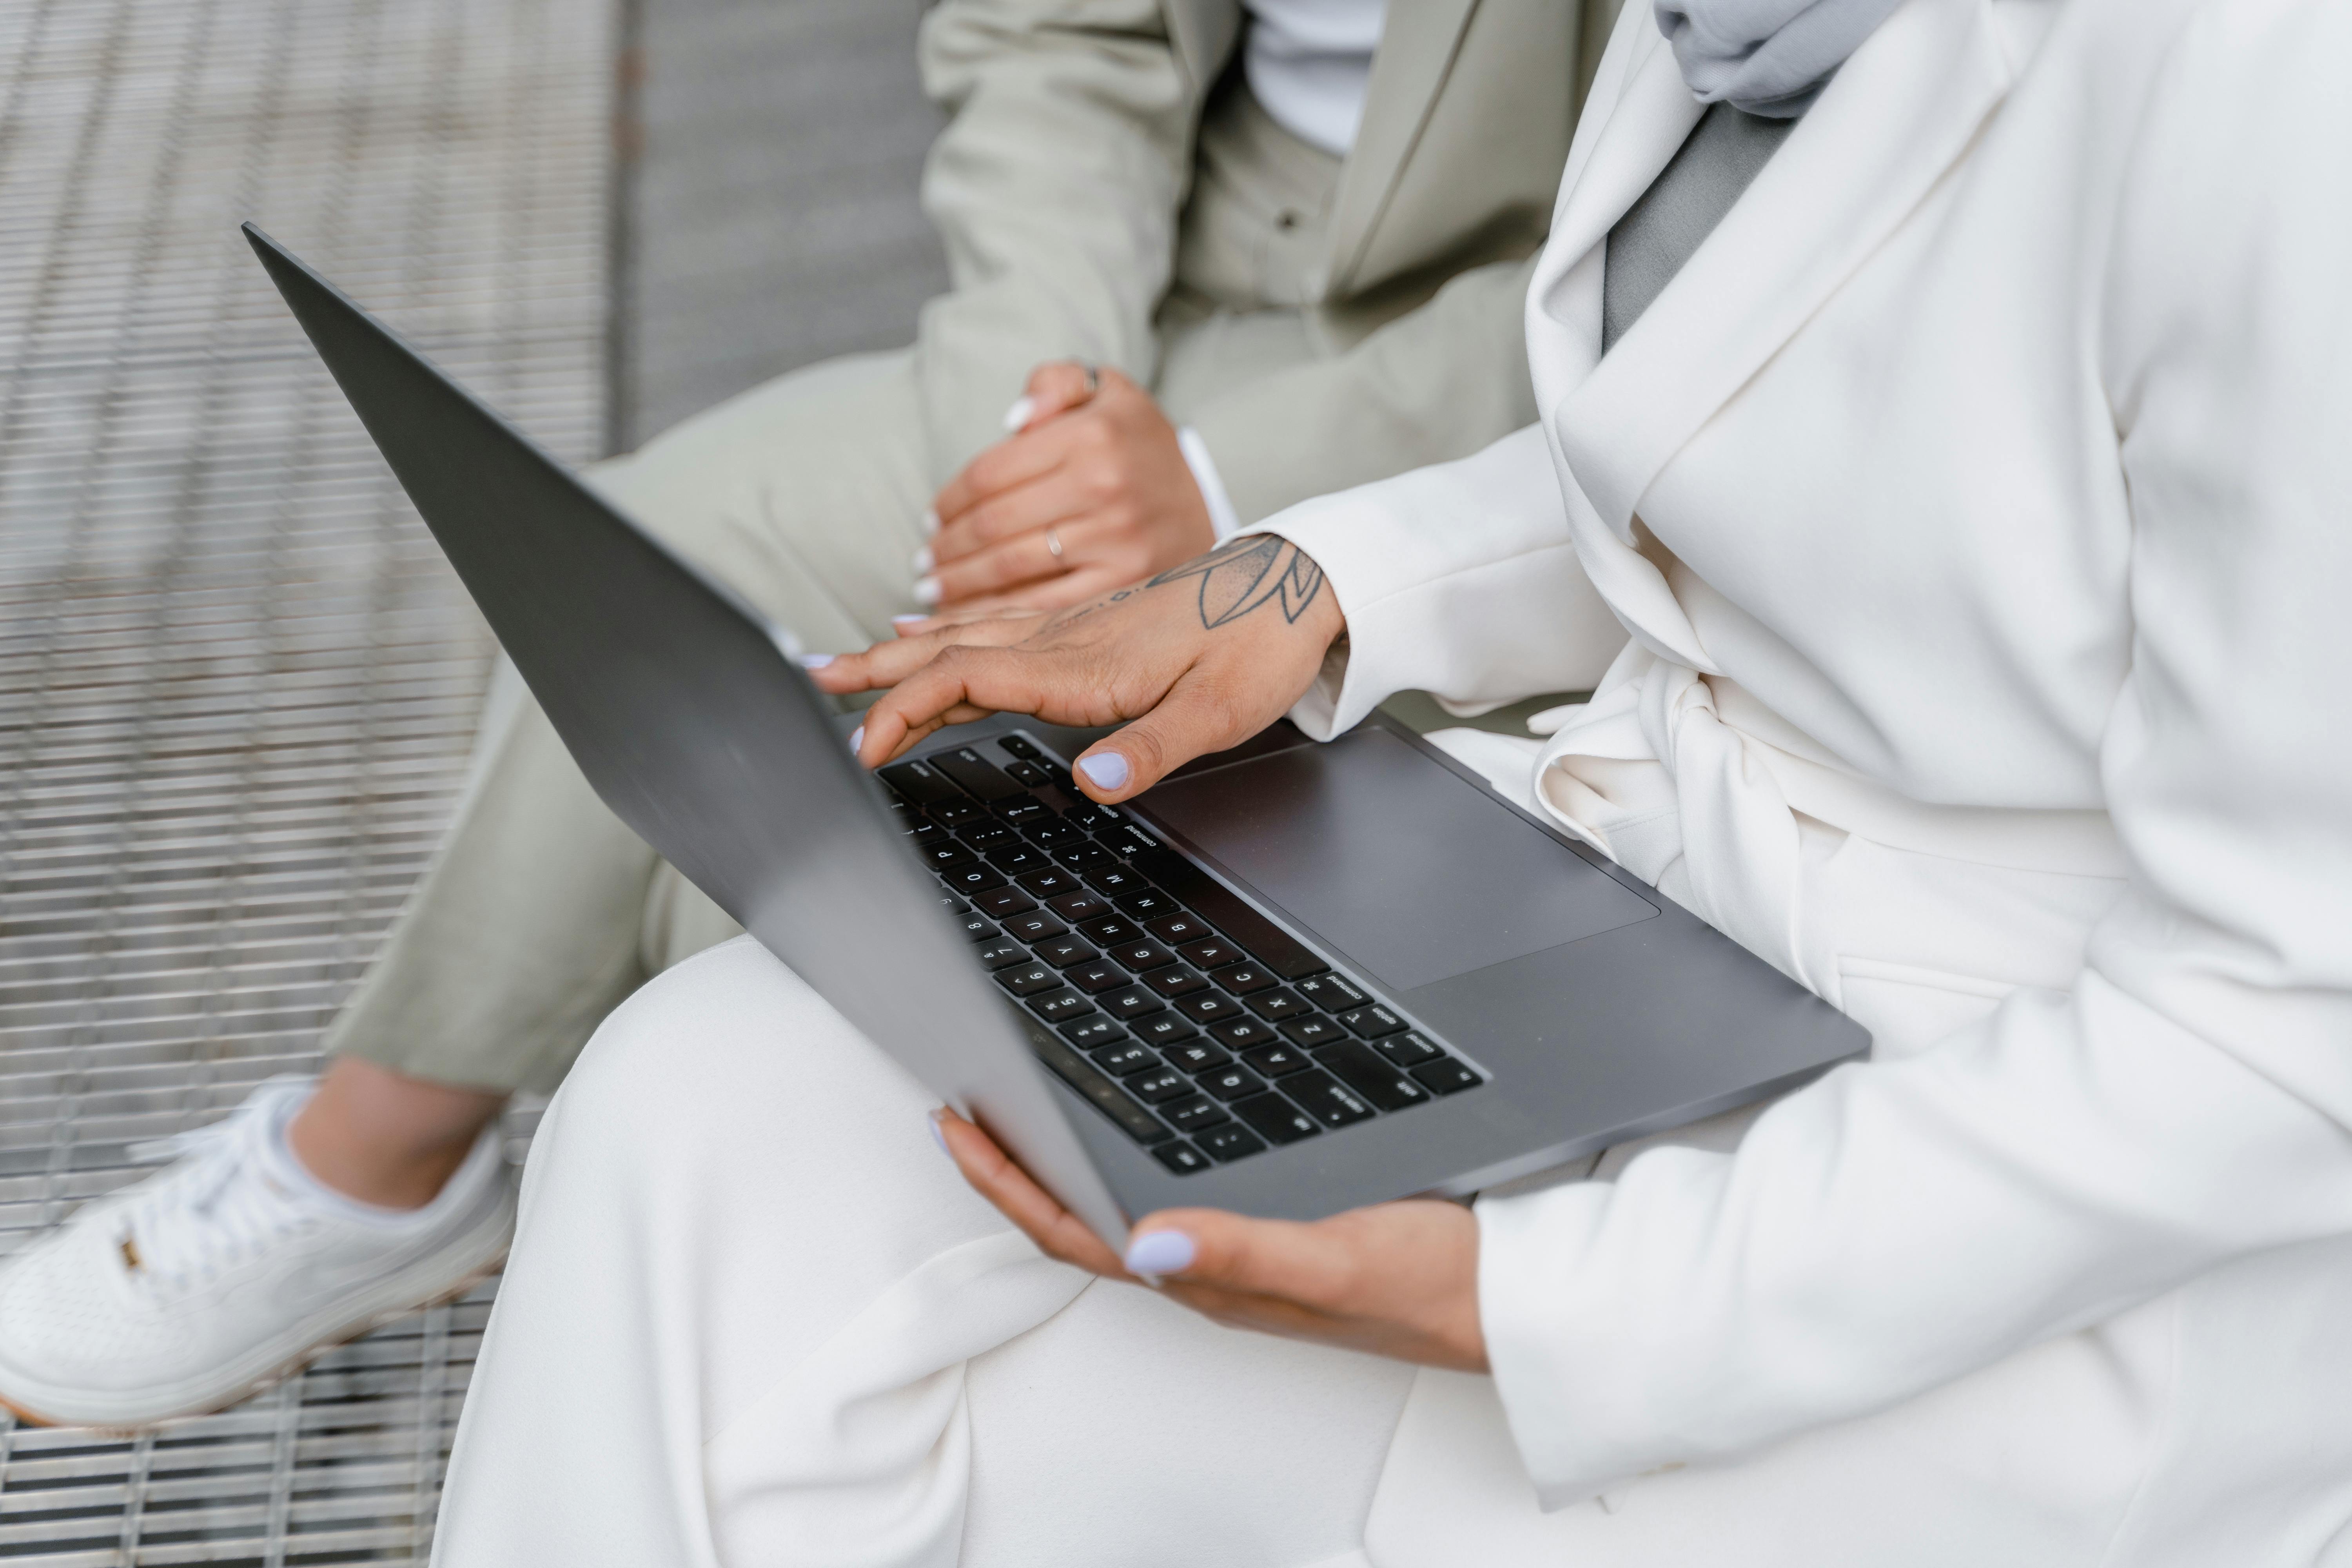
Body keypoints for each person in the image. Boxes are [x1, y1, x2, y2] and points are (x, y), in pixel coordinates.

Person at [427, 0, 2352, 1561]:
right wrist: (1324, 582)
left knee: (978, 1422)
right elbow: (1803, 435)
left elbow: (2283, 1028)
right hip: (1660, 932)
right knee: (691, 1106)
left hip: (2018, 1214)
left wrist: (1521, 1307)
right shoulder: (1747, 27)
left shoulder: (2276, 91)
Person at [0, 0, 1627, 1427]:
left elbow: (1698, 241)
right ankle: (381, 1159)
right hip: (1155, 290)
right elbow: (1061, 39)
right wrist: (1031, 420)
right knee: (657, 559)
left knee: (842, 840)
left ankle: (520, 1204)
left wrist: (1215, 492)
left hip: (1502, 394)